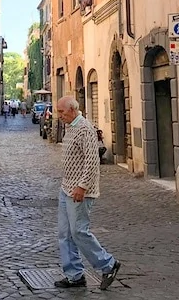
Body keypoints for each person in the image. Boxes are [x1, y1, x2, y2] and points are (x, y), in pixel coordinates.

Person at [54, 95, 120, 290]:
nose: (59, 116)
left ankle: (108, 265)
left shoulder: (85, 129)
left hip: (79, 191)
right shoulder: (71, 127)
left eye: (61, 112)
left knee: (79, 231)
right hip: (66, 188)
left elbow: (92, 162)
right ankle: (74, 275)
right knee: (65, 234)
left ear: (73, 110)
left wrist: (82, 187)